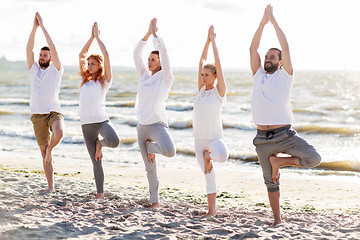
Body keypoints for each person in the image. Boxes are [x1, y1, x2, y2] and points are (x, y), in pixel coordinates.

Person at [249, 5, 321, 225]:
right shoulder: (258, 75)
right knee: (270, 183)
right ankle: (277, 220)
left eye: (272, 56)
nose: (267, 59)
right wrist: (262, 24)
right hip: (262, 140)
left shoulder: (286, 76)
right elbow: (252, 49)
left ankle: (281, 162)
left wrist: (273, 20)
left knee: (314, 159)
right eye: (267, 56)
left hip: (285, 135)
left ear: (280, 62)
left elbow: (286, 46)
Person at [134, 18, 176, 208]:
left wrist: (156, 37)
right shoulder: (144, 76)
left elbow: (165, 54)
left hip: (158, 125)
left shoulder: (165, 78)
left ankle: (152, 148)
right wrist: (147, 34)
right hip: (142, 127)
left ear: (160, 62)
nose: (149, 62)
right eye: (149, 59)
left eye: (153, 60)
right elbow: (136, 53)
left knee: (169, 151)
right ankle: (155, 202)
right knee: (150, 169)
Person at [79, 22, 120, 199]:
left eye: (93, 63)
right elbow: (81, 54)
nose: (89, 66)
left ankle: (100, 144)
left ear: (99, 66)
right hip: (85, 123)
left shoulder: (104, 81)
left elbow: (107, 55)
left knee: (114, 140)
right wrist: (91, 38)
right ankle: (100, 194)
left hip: (101, 120)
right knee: (96, 161)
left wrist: (98, 38)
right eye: (88, 63)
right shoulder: (85, 80)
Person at [26, 12, 64, 193]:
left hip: (53, 112)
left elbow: (54, 50)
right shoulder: (33, 69)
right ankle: (50, 187)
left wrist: (43, 26)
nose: (42, 57)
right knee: (42, 152)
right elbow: (28, 50)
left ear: (50, 58)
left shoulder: (56, 70)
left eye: (45, 55)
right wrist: (34, 28)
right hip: (37, 116)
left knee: (59, 132)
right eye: (41, 54)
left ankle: (51, 150)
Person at [193, 25, 229, 215]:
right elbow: (200, 62)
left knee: (223, 157)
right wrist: (206, 41)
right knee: (208, 175)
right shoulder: (201, 91)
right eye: (202, 75)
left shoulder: (218, 93)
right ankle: (211, 211)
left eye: (207, 75)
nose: (203, 77)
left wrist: (214, 42)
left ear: (215, 77)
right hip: (199, 139)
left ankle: (210, 155)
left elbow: (219, 64)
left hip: (214, 139)